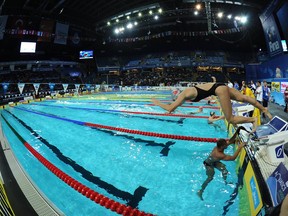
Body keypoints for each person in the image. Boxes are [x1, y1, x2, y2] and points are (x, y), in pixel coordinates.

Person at [152, 82, 272, 132]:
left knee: (230, 119)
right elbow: (174, 108)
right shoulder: (187, 91)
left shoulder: (184, 93)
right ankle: (264, 109)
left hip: (219, 90)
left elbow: (170, 108)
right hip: (219, 85)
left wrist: (157, 102)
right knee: (242, 98)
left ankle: (253, 119)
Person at [197, 126, 247, 200]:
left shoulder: (220, 146)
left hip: (214, 161)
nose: (227, 145)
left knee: (224, 170)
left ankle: (225, 182)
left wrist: (238, 130)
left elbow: (230, 140)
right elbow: (233, 158)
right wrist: (239, 147)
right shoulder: (219, 154)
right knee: (210, 177)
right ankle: (200, 191)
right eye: (225, 145)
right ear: (221, 147)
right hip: (208, 164)